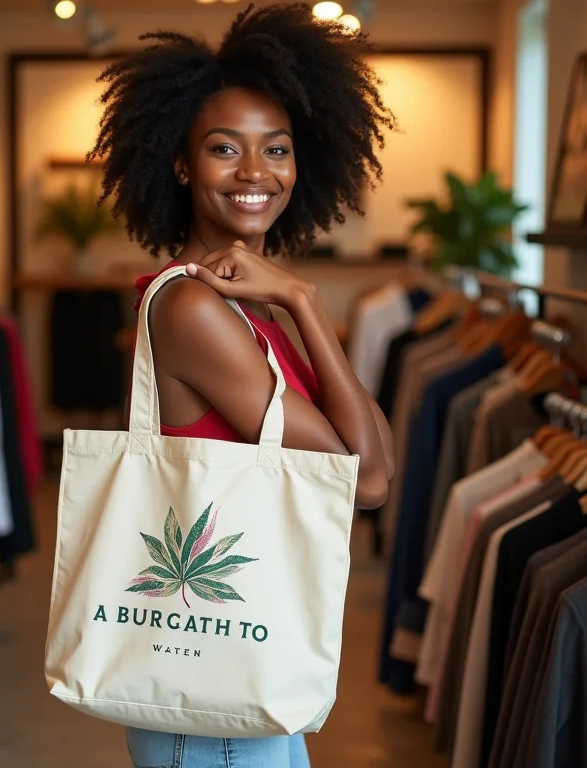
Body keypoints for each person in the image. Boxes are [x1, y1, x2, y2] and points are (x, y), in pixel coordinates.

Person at [88, 3, 396, 766]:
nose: (256, 173)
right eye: (225, 148)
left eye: (278, 149)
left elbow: (368, 451)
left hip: (247, 656)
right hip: (210, 687)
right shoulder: (194, 307)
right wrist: (306, 299)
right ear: (182, 162)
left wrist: (289, 301)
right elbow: (369, 478)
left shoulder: (245, 303)